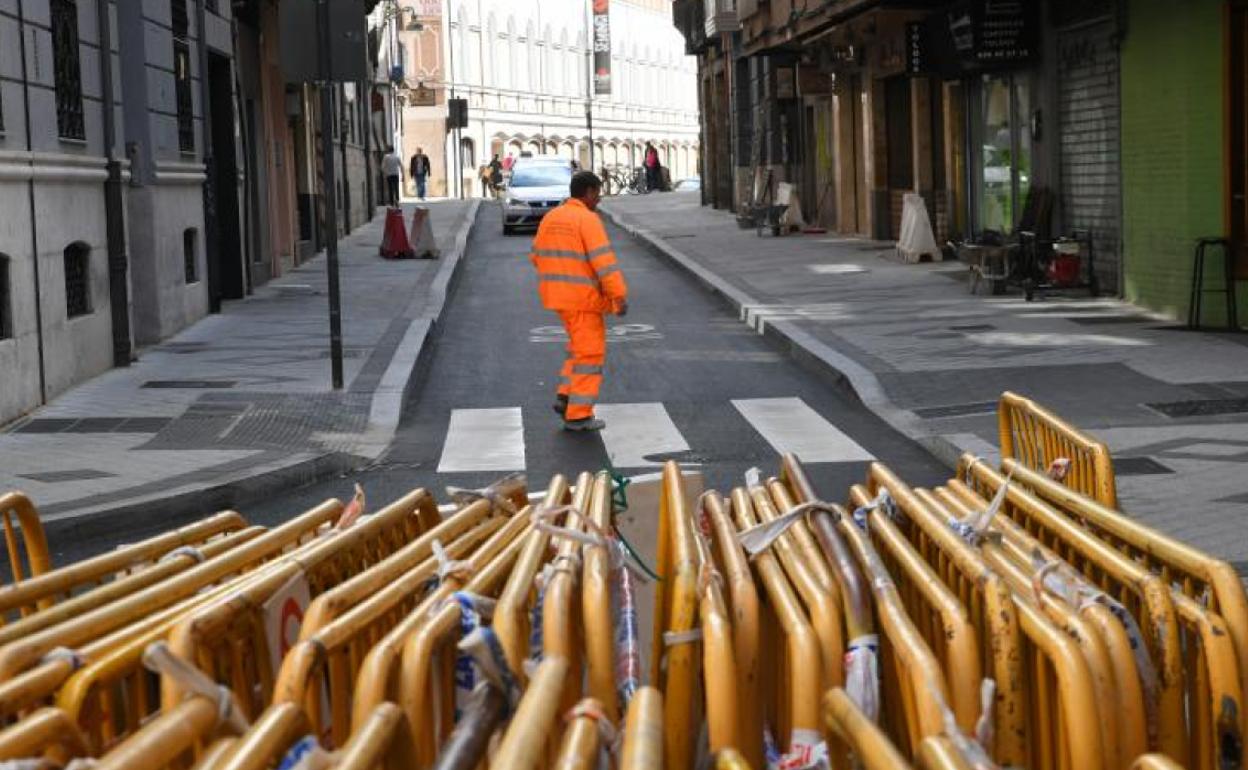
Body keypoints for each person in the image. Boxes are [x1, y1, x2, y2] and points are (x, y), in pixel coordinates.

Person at [529, 171, 628, 431]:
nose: (600, 199)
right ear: (588, 192)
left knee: (578, 349)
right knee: (590, 354)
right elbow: (604, 263)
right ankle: (579, 414)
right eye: (598, 193)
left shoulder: (552, 216)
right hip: (584, 300)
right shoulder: (587, 219)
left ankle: (565, 397)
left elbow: (536, 255)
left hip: (558, 297)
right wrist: (618, 296)